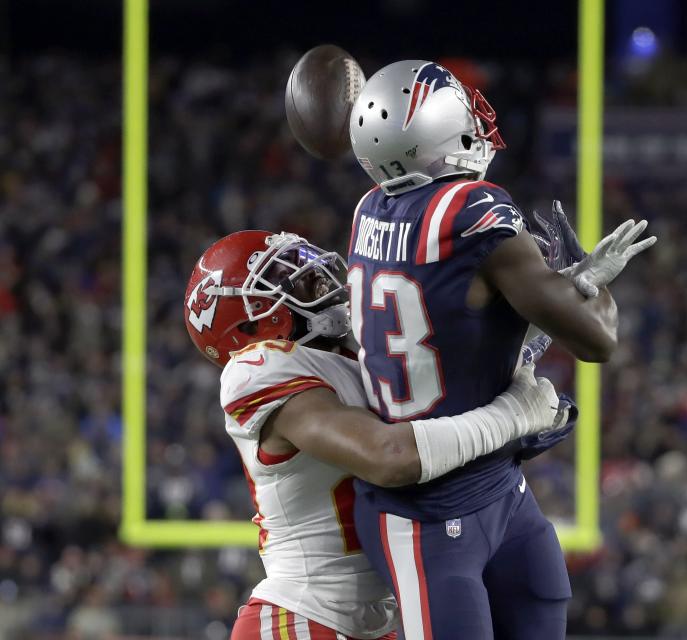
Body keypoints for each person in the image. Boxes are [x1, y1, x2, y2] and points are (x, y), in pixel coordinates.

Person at [345, 60, 656, 639]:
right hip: (428, 518)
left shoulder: (370, 210)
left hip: (495, 489)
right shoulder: (471, 210)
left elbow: (454, 318)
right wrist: (592, 283)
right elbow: (598, 341)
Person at [183, 230, 572, 640]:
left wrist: (553, 298)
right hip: (299, 620)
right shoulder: (256, 369)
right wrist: (512, 416)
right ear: (252, 322)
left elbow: (451, 376)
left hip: (377, 623)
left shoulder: (355, 348)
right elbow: (389, 456)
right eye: (289, 278)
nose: (318, 277)